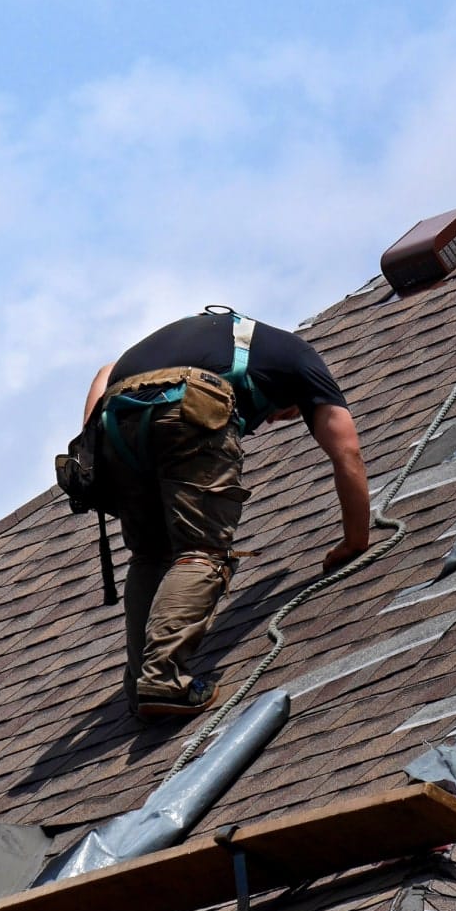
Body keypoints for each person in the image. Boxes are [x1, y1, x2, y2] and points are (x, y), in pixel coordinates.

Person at [83, 307, 370, 720]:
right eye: (284, 412)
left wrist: (90, 444)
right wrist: (355, 540)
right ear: (297, 396)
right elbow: (348, 452)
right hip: (183, 404)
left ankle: (139, 689)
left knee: (151, 556)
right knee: (202, 551)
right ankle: (161, 679)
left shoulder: (211, 337)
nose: (269, 420)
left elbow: (106, 371)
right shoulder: (302, 359)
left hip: (115, 421)